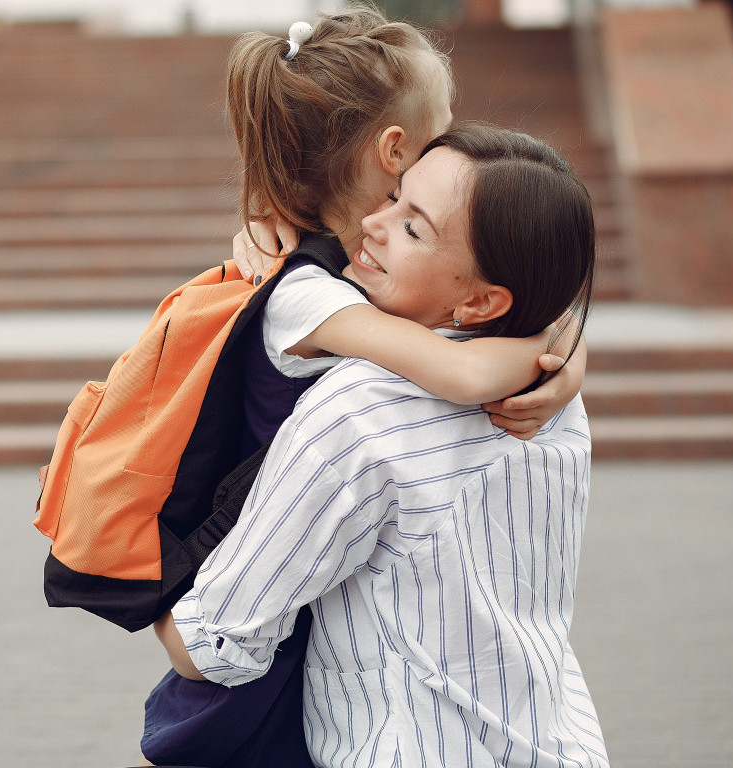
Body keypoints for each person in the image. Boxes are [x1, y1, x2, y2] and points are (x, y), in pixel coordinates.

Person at [138, 11, 587, 768]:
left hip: (298, 611)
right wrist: (558, 354)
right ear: (393, 150)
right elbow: (466, 370)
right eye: (401, 206)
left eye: (415, 225)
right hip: (525, 728)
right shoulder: (309, 296)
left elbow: (213, 637)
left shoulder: (366, 388)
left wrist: (560, 347)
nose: (452, 135)